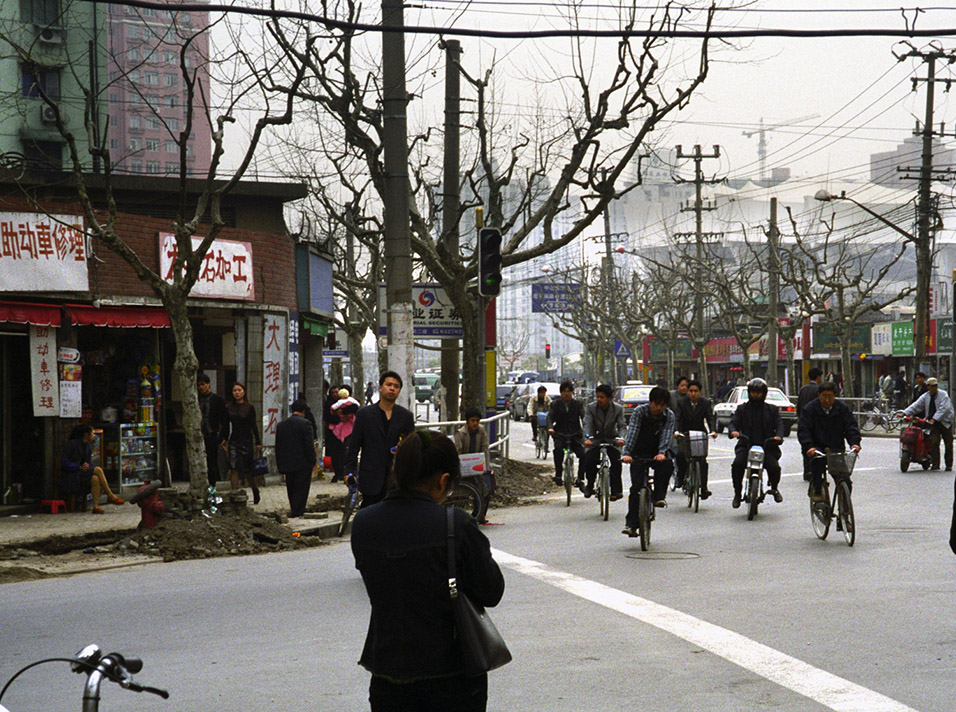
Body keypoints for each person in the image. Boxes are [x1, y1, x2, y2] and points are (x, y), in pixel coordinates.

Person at [351, 430, 505, 711]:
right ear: (443, 480)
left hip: (387, 673)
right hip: (451, 675)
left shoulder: (363, 524)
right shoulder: (455, 525)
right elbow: (491, 591)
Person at [345, 371, 416, 507]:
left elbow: (412, 445)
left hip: (396, 477)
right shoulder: (364, 414)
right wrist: (349, 471)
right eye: (389, 385)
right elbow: (354, 445)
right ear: (380, 387)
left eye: (396, 386)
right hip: (371, 476)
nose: (392, 388)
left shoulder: (405, 416)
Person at [621, 386, 675, 536]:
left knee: (667, 465)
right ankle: (631, 524)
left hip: (658, 452)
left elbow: (667, 434)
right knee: (636, 489)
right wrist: (626, 453)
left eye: (662, 405)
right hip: (638, 452)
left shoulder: (669, 416)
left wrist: (662, 452)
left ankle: (659, 496)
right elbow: (632, 431)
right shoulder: (639, 412)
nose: (659, 408)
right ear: (650, 402)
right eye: (656, 404)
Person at [797, 382, 861, 504]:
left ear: (835, 396)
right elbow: (803, 430)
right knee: (817, 465)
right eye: (824, 396)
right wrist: (809, 447)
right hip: (816, 447)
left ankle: (844, 507)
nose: (827, 400)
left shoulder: (841, 408)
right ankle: (816, 490)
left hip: (835, 449)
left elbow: (850, 427)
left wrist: (854, 443)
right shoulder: (809, 409)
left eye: (830, 396)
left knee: (845, 481)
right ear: (818, 395)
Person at [729, 378, 784, 508]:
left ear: (764, 393)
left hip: (767, 446)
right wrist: (733, 432)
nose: (756, 394)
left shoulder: (772, 410)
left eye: (758, 392)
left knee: (774, 467)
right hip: (746, 445)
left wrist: (778, 436)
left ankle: (774, 488)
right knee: (737, 464)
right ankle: (737, 493)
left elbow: (779, 424)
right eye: (753, 392)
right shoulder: (742, 409)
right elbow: (733, 423)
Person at [60, 424, 125, 513]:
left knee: (95, 478)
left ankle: (96, 506)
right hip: (72, 475)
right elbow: (64, 462)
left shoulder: (88, 447)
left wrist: (87, 466)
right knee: (98, 469)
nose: (94, 436)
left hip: (82, 474)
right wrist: (78, 467)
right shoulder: (72, 444)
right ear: (86, 435)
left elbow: (89, 463)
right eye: (92, 434)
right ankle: (110, 495)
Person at [673, 379, 718, 499]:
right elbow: (677, 418)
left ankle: (704, 488)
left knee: (702, 461)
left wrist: (713, 431)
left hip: (699, 434)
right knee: (681, 455)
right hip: (685, 434)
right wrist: (676, 431)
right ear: (688, 392)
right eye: (691, 391)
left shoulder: (705, 403)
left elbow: (710, 418)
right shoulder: (681, 402)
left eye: (696, 391)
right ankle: (680, 477)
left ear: (700, 392)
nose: (693, 393)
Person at [582, 384, 626, 500]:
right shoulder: (591, 408)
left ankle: (616, 491)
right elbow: (587, 424)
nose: (599, 400)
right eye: (598, 397)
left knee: (616, 461)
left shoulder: (618, 409)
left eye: (602, 397)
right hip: (594, 440)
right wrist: (587, 438)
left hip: (612, 439)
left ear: (609, 398)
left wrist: (621, 438)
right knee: (589, 460)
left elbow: (622, 426)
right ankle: (590, 485)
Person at [275, 399, 317, 518]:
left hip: (287, 463)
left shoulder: (281, 425)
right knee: (301, 489)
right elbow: (309, 445)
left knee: (291, 487)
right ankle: (298, 512)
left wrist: (280, 465)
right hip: (303, 463)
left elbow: (278, 446)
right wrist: (312, 460)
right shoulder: (306, 424)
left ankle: (294, 509)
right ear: (304, 410)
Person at [222, 381, 262, 503]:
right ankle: (234, 494)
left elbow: (254, 425)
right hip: (234, 440)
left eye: (239, 390)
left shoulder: (249, 407)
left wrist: (258, 442)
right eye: (235, 390)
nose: (237, 392)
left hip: (247, 440)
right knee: (233, 468)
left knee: (247, 469)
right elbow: (225, 425)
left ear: (244, 392)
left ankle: (255, 489)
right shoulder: (229, 408)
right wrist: (224, 439)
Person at [902, 377, 954, 471]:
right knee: (934, 443)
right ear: (928, 387)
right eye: (932, 386)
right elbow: (916, 405)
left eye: (935, 386)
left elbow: (943, 409)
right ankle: (935, 464)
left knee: (948, 444)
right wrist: (905, 413)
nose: (934, 388)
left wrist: (935, 419)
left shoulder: (943, 395)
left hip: (945, 421)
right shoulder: (926, 396)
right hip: (933, 422)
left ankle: (948, 464)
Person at [546, 380, 586, 488]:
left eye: (569, 391)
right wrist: (550, 428)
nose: (566, 394)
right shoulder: (555, 404)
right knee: (558, 450)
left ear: (572, 392)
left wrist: (587, 431)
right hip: (560, 434)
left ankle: (580, 478)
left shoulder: (578, 404)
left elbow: (584, 418)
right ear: (561, 392)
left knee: (584, 455)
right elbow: (550, 417)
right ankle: (558, 475)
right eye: (564, 391)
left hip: (575, 434)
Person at [197, 373, 227, 490]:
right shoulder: (196, 400)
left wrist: (223, 437)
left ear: (208, 384)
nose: (201, 387)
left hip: (212, 434)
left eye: (203, 384)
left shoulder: (217, 400)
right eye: (199, 385)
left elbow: (224, 420)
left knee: (212, 463)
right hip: (199, 435)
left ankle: (212, 487)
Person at [796, 367, 824, 482]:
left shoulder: (803, 389)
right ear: (818, 377)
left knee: (806, 448)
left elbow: (798, 406)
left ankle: (807, 470)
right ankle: (815, 470)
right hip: (816, 423)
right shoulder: (819, 390)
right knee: (818, 447)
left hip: (803, 422)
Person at [330, 388, 361, 481]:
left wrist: (342, 412)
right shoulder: (351, 402)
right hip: (347, 428)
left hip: (347, 429)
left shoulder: (339, 404)